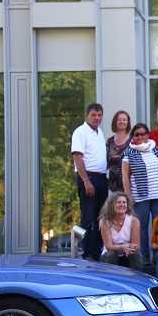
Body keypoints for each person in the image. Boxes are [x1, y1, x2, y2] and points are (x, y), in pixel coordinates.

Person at [122, 123, 158, 263]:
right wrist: (128, 195)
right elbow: (125, 176)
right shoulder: (129, 152)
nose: (140, 137)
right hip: (140, 197)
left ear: (148, 135)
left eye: (143, 133)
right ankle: (143, 259)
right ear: (133, 137)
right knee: (141, 228)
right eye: (136, 134)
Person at [71, 103, 108, 260]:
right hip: (88, 177)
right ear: (87, 115)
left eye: (99, 115)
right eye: (93, 115)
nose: (97, 118)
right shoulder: (80, 132)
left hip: (101, 178)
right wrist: (86, 181)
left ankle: (97, 252)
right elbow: (77, 156)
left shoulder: (100, 132)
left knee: (101, 217)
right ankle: (87, 254)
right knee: (88, 218)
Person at [98, 192, 142, 270]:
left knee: (135, 254)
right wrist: (122, 247)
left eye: (124, 202)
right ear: (111, 205)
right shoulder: (104, 221)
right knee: (111, 255)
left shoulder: (134, 221)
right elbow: (109, 246)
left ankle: (136, 277)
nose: (122, 205)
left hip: (127, 253)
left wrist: (127, 248)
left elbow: (136, 245)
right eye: (118, 202)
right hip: (110, 253)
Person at [106, 110, 131, 193]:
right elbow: (106, 161)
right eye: (119, 120)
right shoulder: (109, 141)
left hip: (129, 182)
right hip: (113, 184)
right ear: (115, 122)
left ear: (128, 122)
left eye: (124, 120)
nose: (122, 122)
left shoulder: (132, 140)